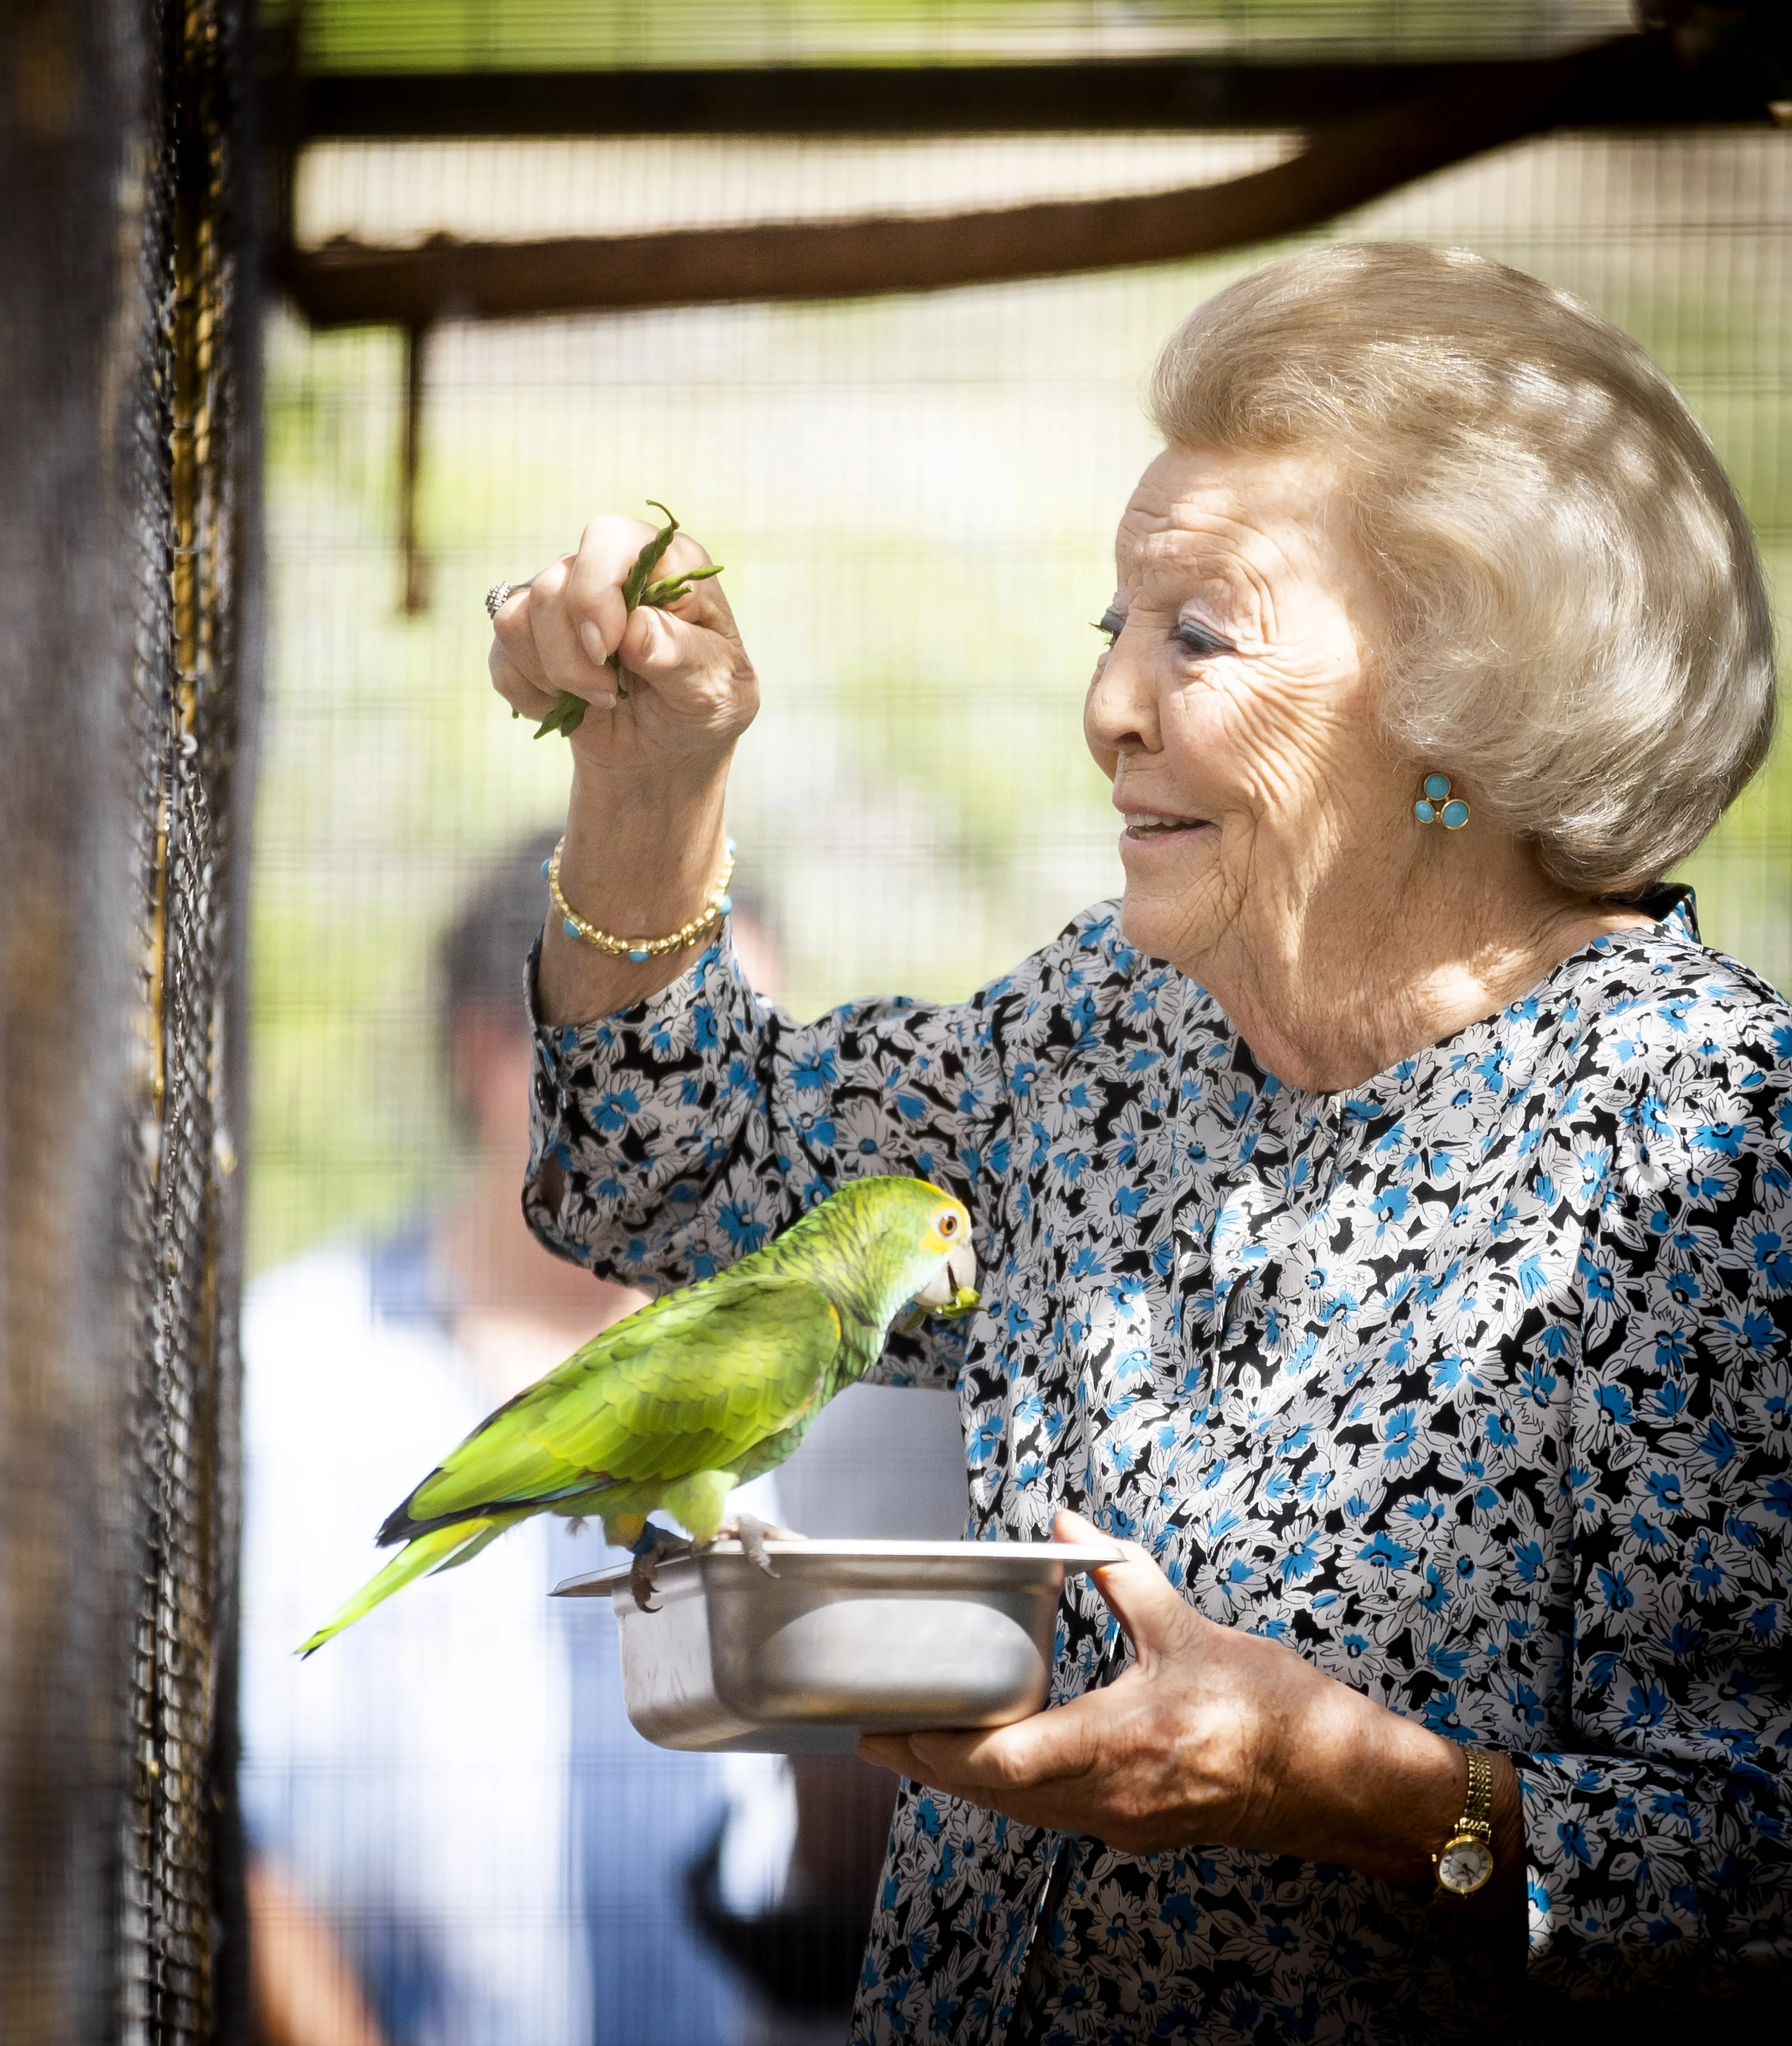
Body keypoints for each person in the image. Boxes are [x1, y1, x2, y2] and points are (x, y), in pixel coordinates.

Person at [487, 242, 1791, 2041]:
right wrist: (651, 778)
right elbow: (661, 1172)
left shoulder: (1714, 1155)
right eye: (1116, 629)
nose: (1111, 706)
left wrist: (1350, 1789)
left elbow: (1757, 1861)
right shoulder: (1103, 1028)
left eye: (1200, 633)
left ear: (1460, 709)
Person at [239, 837, 806, 2046]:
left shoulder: (796, 1380)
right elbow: (229, 1830)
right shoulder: (296, 1366)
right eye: (667, 1057)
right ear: (492, 1055)